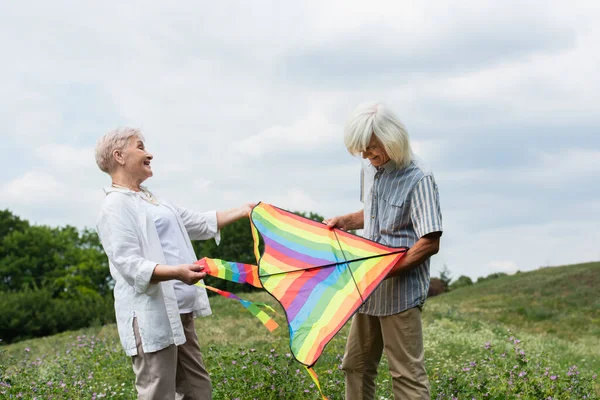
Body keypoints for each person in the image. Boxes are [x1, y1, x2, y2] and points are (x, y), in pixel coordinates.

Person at [94, 127, 254, 400]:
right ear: (119, 156)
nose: (150, 154)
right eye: (141, 147)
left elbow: (200, 222)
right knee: (158, 392)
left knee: (197, 390)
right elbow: (129, 263)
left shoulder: (153, 200)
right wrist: (177, 273)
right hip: (150, 315)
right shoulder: (115, 207)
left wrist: (246, 210)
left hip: (181, 312)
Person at [324, 103, 443, 400]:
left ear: (391, 139)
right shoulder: (369, 169)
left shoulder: (419, 178)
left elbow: (429, 241)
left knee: (406, 374)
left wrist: (388, 269)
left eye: (371, 149)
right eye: (362, 151)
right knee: (355, 366)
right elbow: (374, 213)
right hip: (368, 291)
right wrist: (345, 221)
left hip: (399, 294)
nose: (366, 156)